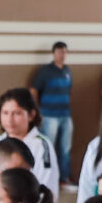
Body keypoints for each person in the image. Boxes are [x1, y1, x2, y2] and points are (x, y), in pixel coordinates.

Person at [0, 88, 62, 199]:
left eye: (17, 113)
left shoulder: (42, 145)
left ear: (31, 115)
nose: (9, 120)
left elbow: (47, 184)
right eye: (5, 113)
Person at [30, 44, 74, 176]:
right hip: (49, 116)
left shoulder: (67, 71)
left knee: (66, 149)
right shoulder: (46, 71)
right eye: (60, 52)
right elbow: (33, 90)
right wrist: (38, 110)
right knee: (48, 148)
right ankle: (47, 176)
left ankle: (64, 177)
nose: (62, 55)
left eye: (65, 52)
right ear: (54, 54)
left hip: (65, 115)